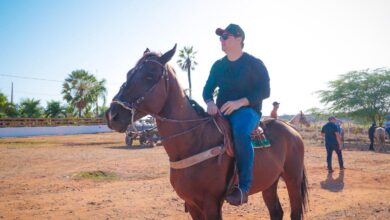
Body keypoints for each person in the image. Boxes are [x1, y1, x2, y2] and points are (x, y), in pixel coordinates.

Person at [203, 23, 270, 206]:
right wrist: (209, 103)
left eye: (225, 37)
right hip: (221, 112)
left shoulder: (254, 64)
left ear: (239, 39)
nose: (221, 41)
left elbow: (265, 91)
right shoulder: (218, 66)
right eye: (220, 38)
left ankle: (243, 187)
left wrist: (240, 102)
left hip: (248, 111)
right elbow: (207, 90)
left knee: (240, 132)